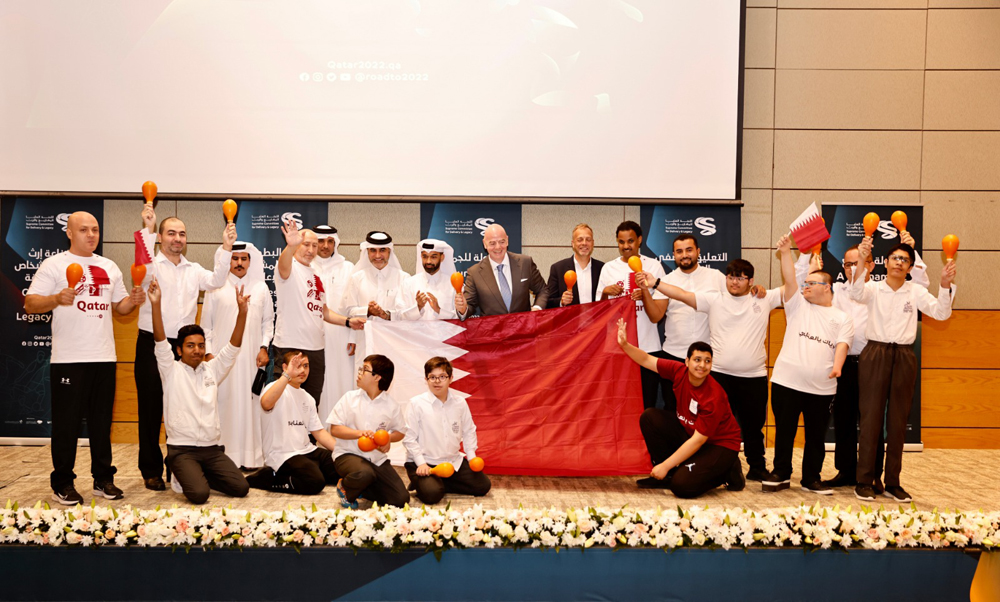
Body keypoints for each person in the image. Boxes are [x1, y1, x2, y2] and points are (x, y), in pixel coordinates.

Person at [25, 212, 145, 505]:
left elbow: (120, 308)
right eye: (83, 230)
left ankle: (103, 479)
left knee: (102, 424)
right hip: (69, 359)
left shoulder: (109, 266)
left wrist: (133, 300)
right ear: (69, 232)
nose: (91, 235)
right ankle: (62, 483)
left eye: (95, 230)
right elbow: (30, 303)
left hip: (104, 357)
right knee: (66, 425)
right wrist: (56, 298)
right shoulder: (54, 264)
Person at [794, 232, 929, 492]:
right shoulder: (835, 290)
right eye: (847, 264)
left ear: (870, 264)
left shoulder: (881, 290)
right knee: (843, 418)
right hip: (843, 362)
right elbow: (806, 289)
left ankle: (873, 474)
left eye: (857, 263)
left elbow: (921, 286)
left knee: (873, 421)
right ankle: (846, 471)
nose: (851, 268)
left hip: (874, 362)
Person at [637, 258, 781, 482]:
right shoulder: (714, 299)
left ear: (751, 280)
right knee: (712, 428)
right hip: (719, 375)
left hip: (753, 376)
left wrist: (794, 255)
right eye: (731, 277)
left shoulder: (763, 299)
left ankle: (757, 466)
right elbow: (681, 294)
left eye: (740, 278)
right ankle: (724, 466)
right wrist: (655, 283)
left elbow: (792, 287)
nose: (734, 282)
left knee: (753, 426)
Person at [133, 205, 235, 491]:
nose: (177, 238)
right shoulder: (150, 266)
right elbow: (141, 264)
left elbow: (217, 280)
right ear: (161, 237)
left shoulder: (194, 270)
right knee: (150, 409)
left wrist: (226, 247)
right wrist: (148, 228)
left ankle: (179, 468)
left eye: (182, 234)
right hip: (151, 344)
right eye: (171, 233)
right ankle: (151, 470)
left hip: (184, 349)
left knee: (184, 408)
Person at [851, 239, 956, 503]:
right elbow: (855, 293)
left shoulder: (915, 291)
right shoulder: (873, 287)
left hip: (905, 355)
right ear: (886, 263)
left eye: (905, 260)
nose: (899, 263)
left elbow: (941, 313)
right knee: (870, 419)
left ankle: (893, 482)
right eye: (895, 258)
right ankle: (864, 480)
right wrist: (862, 259)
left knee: (898, 421)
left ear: (910, 267)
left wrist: (945, 285)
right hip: (875, 352)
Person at [148, 278, 250, 504]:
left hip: (211, 449)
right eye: (190, 346)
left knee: (241, 488)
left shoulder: (212, 369)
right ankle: (178, 469)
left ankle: (198, 474)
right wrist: (156, 304)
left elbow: (233, 346)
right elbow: (160, 340)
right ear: (179, 350)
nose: (197, 350)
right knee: (199, 495)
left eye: (201, 345)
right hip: (182, 449)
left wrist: (242, 312)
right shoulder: (170, 369)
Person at [765, 235, 853, 495]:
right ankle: (781, 472)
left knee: (816, 436)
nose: (805, 287)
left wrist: (837, 367)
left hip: (822, 388)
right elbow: (790, 279)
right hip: (786, 383)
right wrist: (785, 252)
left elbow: (843, 344)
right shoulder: (797, 306)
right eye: (805, 283)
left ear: (827, 287)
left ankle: (811, 478)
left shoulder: (842, 317)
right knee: (784, 431)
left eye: (812, 283)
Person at [615, 320, 744, 497]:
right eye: (697, 360)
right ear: (687, 361)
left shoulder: (713, 396)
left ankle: (727, 470)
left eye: (707, 361)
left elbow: (698, 441)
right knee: (650, 417)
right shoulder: (678, 371)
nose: (702, 365)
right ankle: (667, 475)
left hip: (719, 445)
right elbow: (646, 359)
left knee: (681, 486)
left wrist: (666, 465)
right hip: (691, 431)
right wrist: (625, 345)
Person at [273, 218, 364, 407]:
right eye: (306, 244)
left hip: (315, 349)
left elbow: (323, 311)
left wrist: (348, 322)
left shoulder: (315, 274)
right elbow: (283, 265)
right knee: (285, 403)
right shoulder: (289, 268)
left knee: (310, 404)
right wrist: (290, 246)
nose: (311, 250)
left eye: (314, 246)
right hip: (291, 346)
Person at [201, 242, 273, 469]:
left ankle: (251, 458)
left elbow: (268, 322)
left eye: (244, 258)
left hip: (252, 359)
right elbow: (206, 326)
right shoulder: (215, 288)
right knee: (225, 404)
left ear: (250, 261)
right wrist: (209, 354)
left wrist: (264, 347)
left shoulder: (260, 288)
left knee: (251, 406)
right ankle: (226, 458)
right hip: (222, 361)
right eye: (235, 258)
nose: (239, 263)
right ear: (227, 261)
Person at [247, 351, 342, 495]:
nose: (302, 370)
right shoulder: (274, 387)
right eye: (297, 366)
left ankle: (308, 471)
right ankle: (266, 477)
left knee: (342, 469)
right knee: (315, 482)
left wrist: (342, 450)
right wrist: (287, 375)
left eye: (305, 366)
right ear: (285, 367)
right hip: (282, 454)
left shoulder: (308, 398)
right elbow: (266, 403)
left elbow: (319, 432)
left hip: (307, 451)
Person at [595, 221, 668, 409]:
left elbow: (659, 311)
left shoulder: (654, 266)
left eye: (630, 241)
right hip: (618, 347)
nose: (626, 246)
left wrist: (644, 295)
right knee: (620, 404)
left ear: (640, 240)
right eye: (621, 242)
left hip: (648, 347)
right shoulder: (608, 268)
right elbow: (599, 312)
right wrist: (605, 293)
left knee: (647, 404)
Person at [403, 357, 491, 504]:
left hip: (453, 461)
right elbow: (409, 438)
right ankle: (424, 482)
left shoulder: (460, 403)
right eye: (432, 377)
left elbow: (469, 431)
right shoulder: (416, 404)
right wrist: (421, 463)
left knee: (482, 486)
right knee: (432, 495)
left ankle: (436, 482)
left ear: (451, 378)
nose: (437, 381)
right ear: (426, 379)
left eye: (442, 377)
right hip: (425, 463)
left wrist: (471, 458)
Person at [328, 355, 409, 508]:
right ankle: (345, 487)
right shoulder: (349, 398)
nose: (359, 372)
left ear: (377, 377)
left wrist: (388, 439)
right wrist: (360, 433)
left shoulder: (391, 405)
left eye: (364, 369)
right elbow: (335, 429)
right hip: (348, 454)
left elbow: (400, 432)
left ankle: (362, 488)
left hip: (377, 459)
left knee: (401, 499)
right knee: (364, 473)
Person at [658, 234, 726, 412]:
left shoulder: (716, 277)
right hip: (674, 355)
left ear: (698, 251)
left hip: (707, 358)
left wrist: (756, 290)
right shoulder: (666, 282)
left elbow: (736, 298)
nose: (684, 255)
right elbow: (655, 316)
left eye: (689, 250)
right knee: (672, 408)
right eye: (679, 251)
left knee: (708, 409)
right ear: (673, 255)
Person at [310, 225, 357, 427]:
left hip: (341, 336)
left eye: (330, 241)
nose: (325, 246)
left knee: (341, 381)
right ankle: (316, 431)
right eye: (320, 241)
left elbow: (354, 305)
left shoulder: (348, 268)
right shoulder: (304, 267)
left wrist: (353, 337)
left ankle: (341, 430)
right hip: (311, 337)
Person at [341, 231, 410, 366]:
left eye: (382, 250)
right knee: (364, 375)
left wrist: (385, 314)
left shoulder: (404, 278)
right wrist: (368, 311)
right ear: (367, 252)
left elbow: (406, 313)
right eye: (373, 250)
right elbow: (349, 310)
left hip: (394, 342)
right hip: (365, 340)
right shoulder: (357, 278)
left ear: (389, 252)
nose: (377, 255)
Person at [455, 223, 548, 318]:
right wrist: (463, 309)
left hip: (523, 325)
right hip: (492, 327)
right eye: (492, 243)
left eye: (502, 242)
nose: (498, 247)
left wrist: (537, 309)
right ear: (485, 244)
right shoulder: (474, 273)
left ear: (507, 240)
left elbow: (542, 290)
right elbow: (469, 305)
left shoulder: (525, 263)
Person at [396, 239, 458, 321]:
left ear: (442, 257)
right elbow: (399, 316)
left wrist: (438, 310)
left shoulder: (453, 285)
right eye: (425, 256)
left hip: (445, 330)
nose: (428, 261)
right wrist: (418, 308)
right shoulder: (408, 284)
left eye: (433, 257)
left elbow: (459, 317)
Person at [544, 223, 604, 308]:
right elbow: (548, 302)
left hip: (596, 317)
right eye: (580, 240)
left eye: (588, 239)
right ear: (573, 243)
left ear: (593, 243)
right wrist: (561, 301)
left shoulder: (603, 268)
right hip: (570, 317)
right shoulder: (558, 269)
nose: (584, 243)